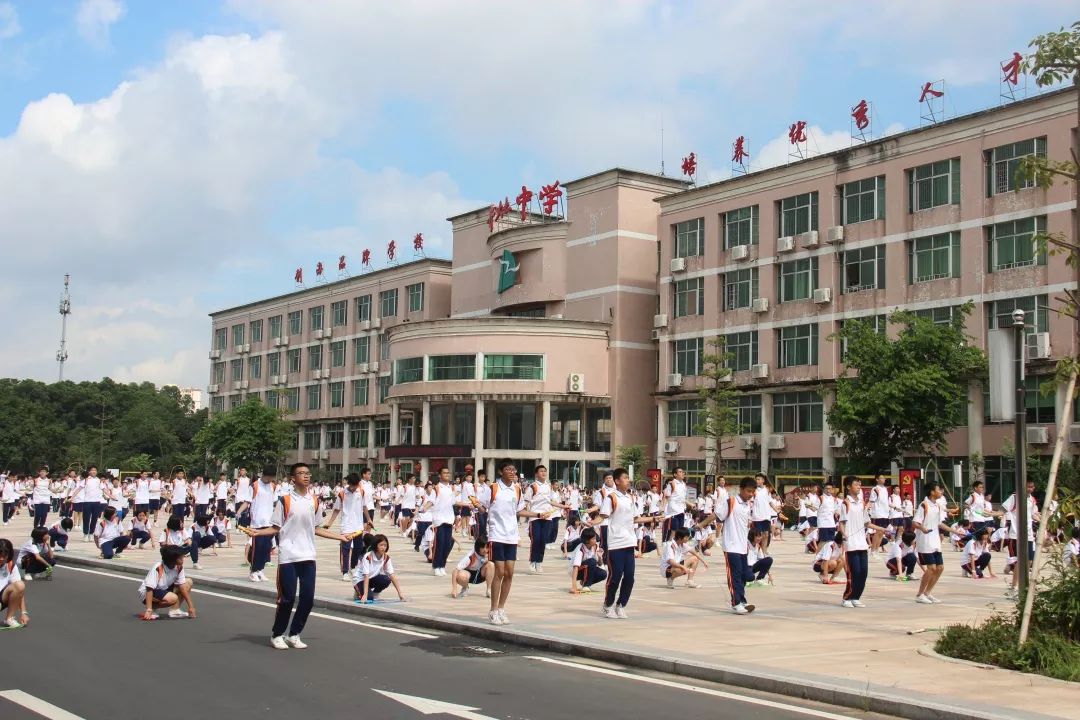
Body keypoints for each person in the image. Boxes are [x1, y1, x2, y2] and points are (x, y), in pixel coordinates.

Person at [240, 462, 347, 650]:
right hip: (289, 556)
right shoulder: (285, 500)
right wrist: (257, 533)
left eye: (307, 473)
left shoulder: (314, 501)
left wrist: (339, 536)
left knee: (308, 599)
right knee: (287, 598)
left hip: (308, 556)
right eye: (301, 473)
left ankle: (294, 633)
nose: (305, 476)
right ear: (292, 478)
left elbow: (316, 528)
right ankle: (277, 634)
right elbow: (275, 527)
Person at [482, 459, 547, 625]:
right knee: (500, 572)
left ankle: (502, 608)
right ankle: (493, 610)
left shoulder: (517, 489)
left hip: (511, 535)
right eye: (509, 469)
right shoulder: (493, 488)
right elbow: (483, 507)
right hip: (496, 534)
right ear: (500, 472)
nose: (512, 472)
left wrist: (538, 515)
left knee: (510, 572)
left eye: (514, 470)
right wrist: (476, 506)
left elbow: (520, 511)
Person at [599, 468, 657, 619]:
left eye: (628, 478)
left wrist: (654, 519)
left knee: (630, 577)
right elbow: (602, 516)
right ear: (617, 481)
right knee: (615, 576)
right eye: (625, 478)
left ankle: (621, 605)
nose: (628, 480)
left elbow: (636, 519)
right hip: (616, 543)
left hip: (629, 542)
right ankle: (608, 605)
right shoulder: (611, 498)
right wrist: (591, 522)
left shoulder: (631, 498)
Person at [838, 476, 884, 608]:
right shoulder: (845, 503)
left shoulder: (862, 503)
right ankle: (847, 597)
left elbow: (867, 523)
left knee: (863, 571)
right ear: (848, 487)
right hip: (851, 543)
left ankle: (856, 597)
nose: (859, 487)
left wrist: (881, 528)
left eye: (860, 485)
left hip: (862, 543)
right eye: (856, 485)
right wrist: (844, 533)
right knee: (854, 571)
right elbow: (841, 523)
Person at [913, 481, 955, 604]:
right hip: (925, 542)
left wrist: (955, 531)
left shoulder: (937, 506)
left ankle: (928, 593)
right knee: (931, 568)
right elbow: (915, 522)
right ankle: (919, 594)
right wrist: (923, 528)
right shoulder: (924, 505)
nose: (941, 492)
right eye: (939, 490)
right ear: (932, 492)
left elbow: (939, 523)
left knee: (940, 568)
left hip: (935, 542)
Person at [324, 472, 368, 582]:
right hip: (346, 525)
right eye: (351, 485)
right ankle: (344, 572)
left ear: (358, 484)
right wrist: (330, 523)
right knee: (346, 549)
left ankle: (353, 567)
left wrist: (369, 519)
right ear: (348, 483)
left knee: (358, 548)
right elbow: (337, 509)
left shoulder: (361, 492)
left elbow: (364, 507)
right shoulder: (342, 494)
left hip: (358, 525)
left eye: (355, 485)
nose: (353, 488)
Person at [138, 545, 197, 620]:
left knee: (188, 582)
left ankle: (175, 610)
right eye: (181, 558)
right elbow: (149, 588)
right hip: (147, 593)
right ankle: (152, 609)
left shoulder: (179, 567)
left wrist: (191, 607)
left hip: (164, 588)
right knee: (173, 598)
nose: (183, 559)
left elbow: (182, 587)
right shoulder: (158, 568)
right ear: (172, 560)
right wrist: (149, 609)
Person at [422, 468, 458, 577]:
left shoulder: (451, 488)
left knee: (447, 545)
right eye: (445, 473)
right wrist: (424, 508)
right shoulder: (437, 488)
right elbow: (431, 501)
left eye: (448, 472)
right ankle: (436, 567)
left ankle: (442, 566)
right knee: (439, 544)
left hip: (449, 519)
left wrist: (467, 504)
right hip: (439, 520)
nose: (447, 474)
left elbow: (453, 502)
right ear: (440, 475)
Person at [353, 534, 407, 603]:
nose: (383, 547)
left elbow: (392, 575)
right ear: (376, 545)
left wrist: (400, 593)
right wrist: (365, 595)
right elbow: (366, 575)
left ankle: (375, 593)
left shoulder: (386, 558)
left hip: (372, 579)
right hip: (360, 580)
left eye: (385, 545)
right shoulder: (368, 557)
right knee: (369, 598)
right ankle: (359, 592)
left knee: (386, 579)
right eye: (381, 545)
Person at [248, 466, 278, 583]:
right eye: (268, 477)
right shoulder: (254, 485)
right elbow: (247, 500)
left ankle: (260, 569)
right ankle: (253, 571)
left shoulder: (273, 486)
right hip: (257, 522)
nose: (270, 479)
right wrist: (239, 512)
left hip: (269, 522)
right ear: (263, 475)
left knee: (266, 548)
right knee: (258, 548)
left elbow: (275, 502)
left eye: (272, 478)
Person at [0, 538, 29, 628]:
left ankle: (9, 619)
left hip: (1, 598)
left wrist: (23, 613)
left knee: (20, 585)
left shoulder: (10, 566)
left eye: (4, 556)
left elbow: (20, 592)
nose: (1, 559)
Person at [569, 527, 607, 594]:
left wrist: (600, 557)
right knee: (592, 561)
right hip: (576, 572)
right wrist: (574, 587)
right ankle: (586, 585)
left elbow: (600, 564)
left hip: (587, 568)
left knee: (603, 574)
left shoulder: (595, 547)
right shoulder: (580, 550)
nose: (595, 540)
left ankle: (584, 582)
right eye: (593, 539)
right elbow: (575, 568)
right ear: (587, 541)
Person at [661, 467, 689, 542]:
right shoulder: (672, 483)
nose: (683, 473)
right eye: (680, 472)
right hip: (673, 512)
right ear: (675, 474)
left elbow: (682, 498)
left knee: (680, 532)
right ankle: (669, 548)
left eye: (683, 472)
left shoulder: (684, 484)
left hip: (681, 511)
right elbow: (666, 497)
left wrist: (690, 504)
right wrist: (663, 510)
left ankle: (677, 549)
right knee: (673, 531)